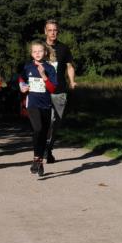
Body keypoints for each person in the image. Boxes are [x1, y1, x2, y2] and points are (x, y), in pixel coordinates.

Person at [18, 41, 57, 176]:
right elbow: (21, 79)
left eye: (40, 51)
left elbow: (53, 88)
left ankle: (39, 162)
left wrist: (44, 76)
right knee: (38, 129)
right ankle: (36, 159)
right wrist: (22, 86)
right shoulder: (28, 67)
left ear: (45, 52)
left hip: (46, 105)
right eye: (35, 51)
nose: (37, 54)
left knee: (43, 134)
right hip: (32, 105)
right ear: (31, 54)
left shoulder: (50, 68)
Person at [43, 18, 76, 163]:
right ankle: (43, 148)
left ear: (58, 31)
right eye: (50, 30)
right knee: (47, 121)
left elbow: (69, 66)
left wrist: (72, 81)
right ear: (45, 31)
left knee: (56, 122)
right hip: (43, 91)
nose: (52, 33)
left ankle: (48, 148)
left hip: (60, 90)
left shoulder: (64, 48)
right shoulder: (40, 48)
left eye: (55, 30)